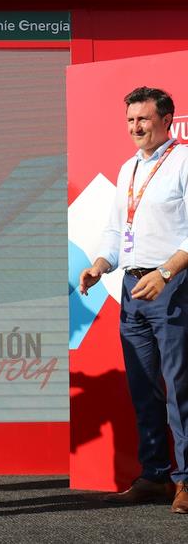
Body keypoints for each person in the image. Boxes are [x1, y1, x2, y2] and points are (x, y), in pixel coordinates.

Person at [79, 86, 188, 513]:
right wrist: (100, 264)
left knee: (179, 388)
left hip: (173, 285)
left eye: (143, 119)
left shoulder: (183, 161)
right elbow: (114, 229)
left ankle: (185, 481)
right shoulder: (127, 169)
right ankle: (155, 476)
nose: (135, 127)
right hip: (132, 289)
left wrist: (166, 272)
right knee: (143, 388)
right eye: (129, 121)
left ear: (166, 120)